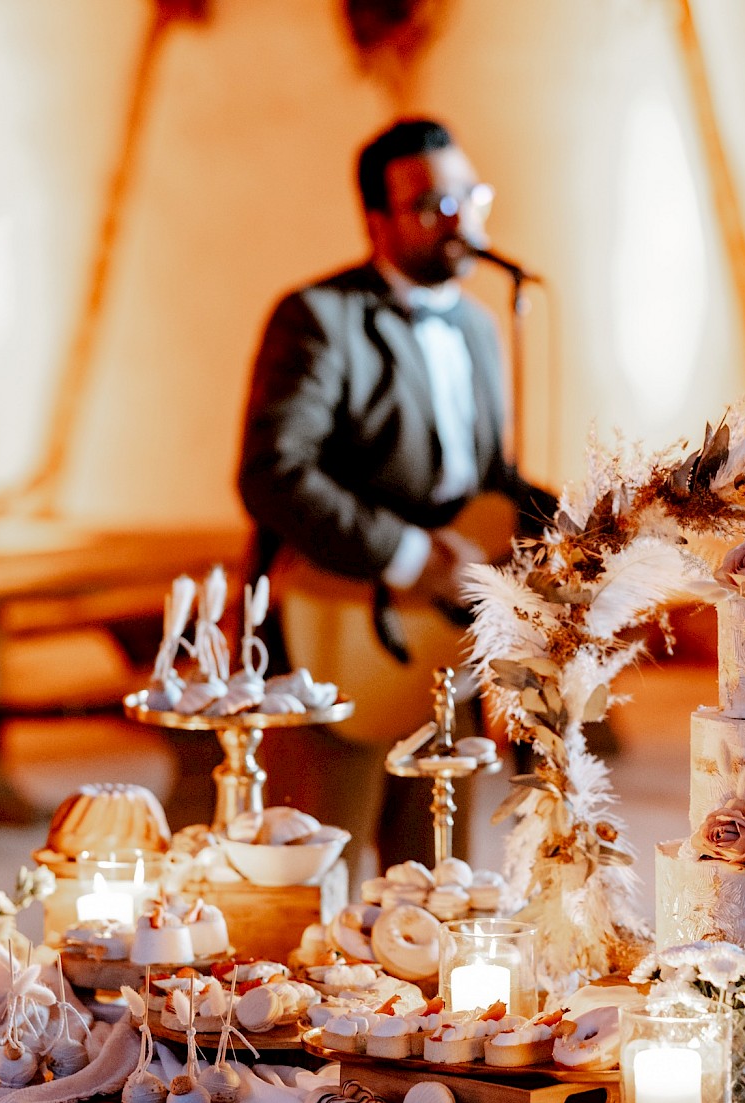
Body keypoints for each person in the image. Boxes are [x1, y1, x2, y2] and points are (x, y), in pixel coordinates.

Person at [237, 118, 554, 879]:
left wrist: (599, 514)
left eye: (469, 197)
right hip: (339, 628)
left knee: (436, 879)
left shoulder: (479, 326)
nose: (462, 221)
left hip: (440, 647)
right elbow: (273, 472)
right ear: (376, 221)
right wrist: (411, 554)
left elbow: (487, 478)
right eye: (432, 205)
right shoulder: (318, 317)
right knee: (313, 878)